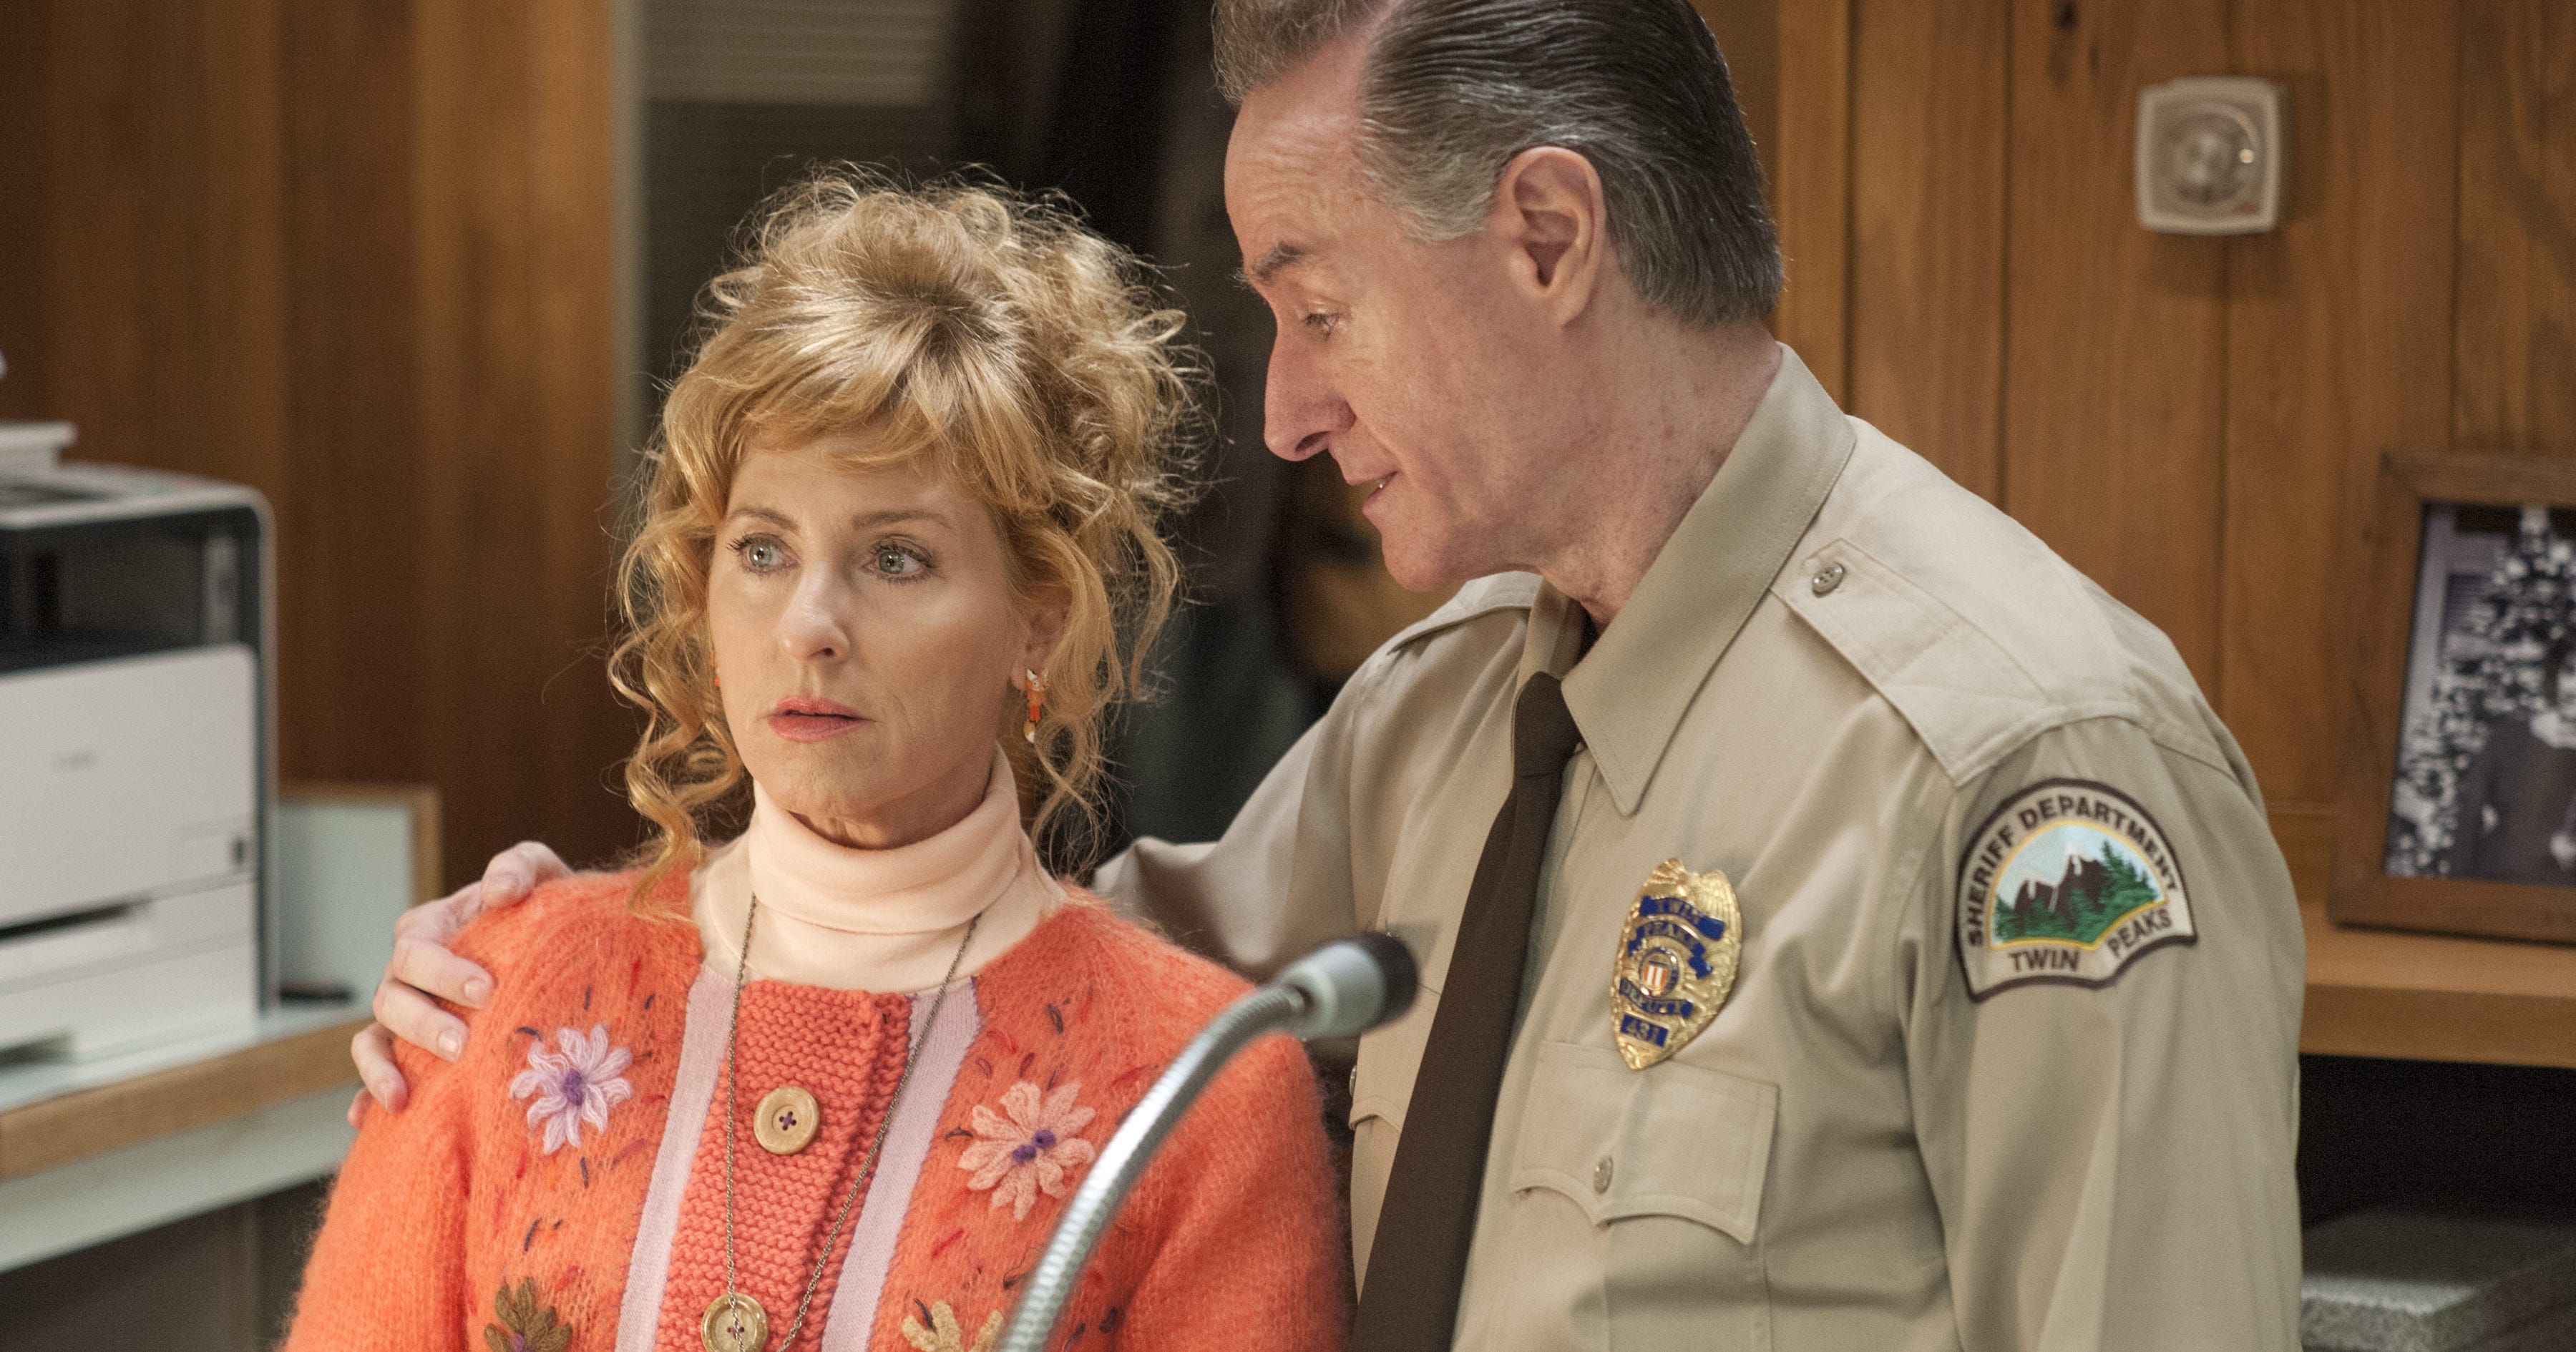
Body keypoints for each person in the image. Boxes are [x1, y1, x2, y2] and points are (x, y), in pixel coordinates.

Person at [354, 1, 2308, 1348]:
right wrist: (560, 966)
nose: (1288, 410)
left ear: (1547, 236)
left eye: (1317, 305)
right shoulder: (1445, 713)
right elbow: (1038, 1000)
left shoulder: (2018, 770)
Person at [286, 176, 1342, 1351]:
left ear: (1040, 620)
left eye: (894, 558)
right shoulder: (490, 993)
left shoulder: (1206, 1089)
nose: (809, 625)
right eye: (762, 550)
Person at [2446, 637, 2576, 885]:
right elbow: (2469, 819)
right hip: (2496, 882)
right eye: (2570, 672)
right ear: (2556, 675)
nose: (2574, 687)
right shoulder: (2510, 736)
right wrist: (2456, 890)